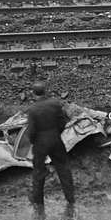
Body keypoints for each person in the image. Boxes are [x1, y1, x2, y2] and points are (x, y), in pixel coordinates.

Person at [27, 81, 75, 210]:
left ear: (33, 94)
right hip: (55, 139)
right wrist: (56, 134)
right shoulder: (55, 104)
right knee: (64, 169)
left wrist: (35, 142)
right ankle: (70, 198)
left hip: (40, 143)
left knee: (38, 171)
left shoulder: (32, 110)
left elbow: (31, 132)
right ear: (46, 91)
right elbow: (62, 122)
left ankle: (38, 201)